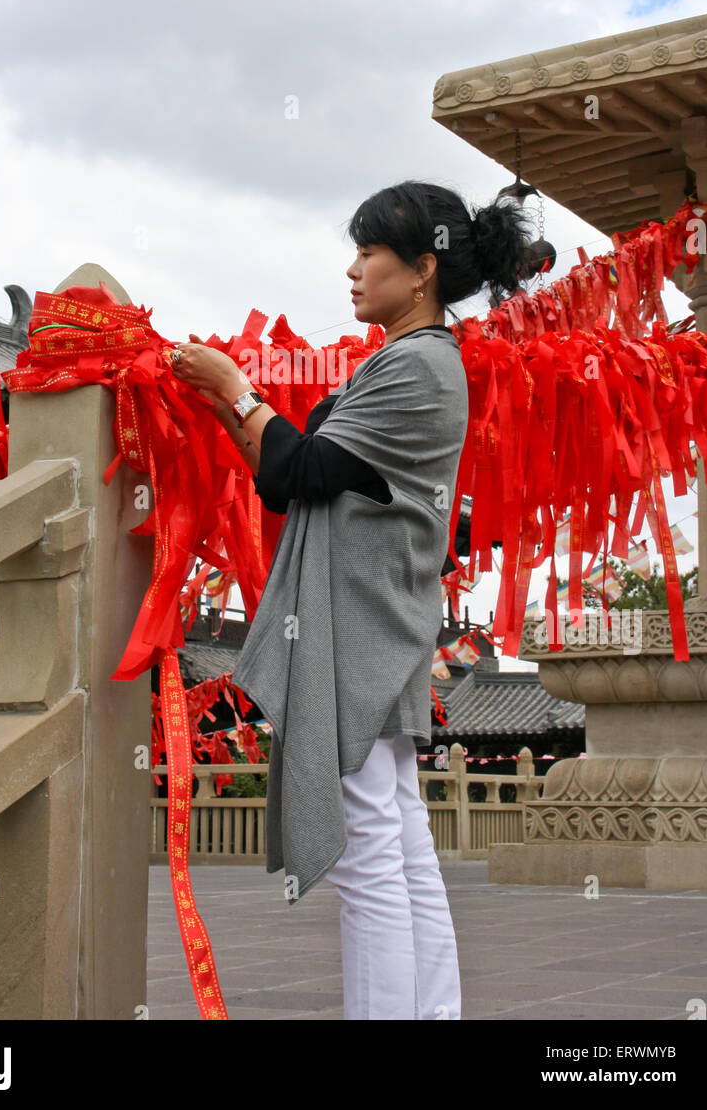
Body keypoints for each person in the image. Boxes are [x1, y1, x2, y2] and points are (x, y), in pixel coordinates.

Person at [170, 180, 533, 1020]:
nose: (354, 270)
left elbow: (300, 467)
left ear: (423, 269)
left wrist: (236, 386)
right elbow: (292, 478)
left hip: (358, 625)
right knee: (400, 841)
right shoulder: (408, 360)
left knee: (372, 853)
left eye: (370, 253)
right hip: (376, 619)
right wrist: (229, 406)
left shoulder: (418, 365)